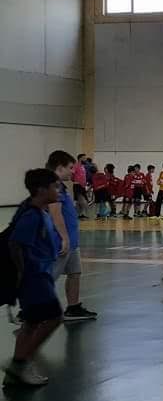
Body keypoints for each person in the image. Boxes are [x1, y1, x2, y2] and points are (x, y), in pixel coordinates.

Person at [4, 169, 63, 387]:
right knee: (55, 317)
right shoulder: (31, 214)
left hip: (40, 274)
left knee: (31, 323)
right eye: (54, 186)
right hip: (35, 277)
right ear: (41, 190)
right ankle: (20, 363)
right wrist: (22, 273)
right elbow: (15, 244)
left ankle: (15, 375)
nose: (58, 190)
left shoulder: (39, 211)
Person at [45, 151, 97, 321]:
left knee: (75, 273)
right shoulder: (54, 185)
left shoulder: (61, 185)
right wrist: (64, 238)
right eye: (70, 168)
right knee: (49, 277)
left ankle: (73, 307)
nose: (72, 171)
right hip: (62, 241)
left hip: (71, 241)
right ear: (59, 168)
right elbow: (55, 213)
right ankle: (28, 311)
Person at [71, 153, 89, 220]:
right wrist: (74, 180)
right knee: (81, 201)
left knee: (82, 201)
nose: (85, 159)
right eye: (84, 158)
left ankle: (81, 214)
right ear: (80, 158)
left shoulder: (83, 166)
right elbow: (72, 174)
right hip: (77, 185)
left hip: (83, 186)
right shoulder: (76, 165)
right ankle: (75, 214)